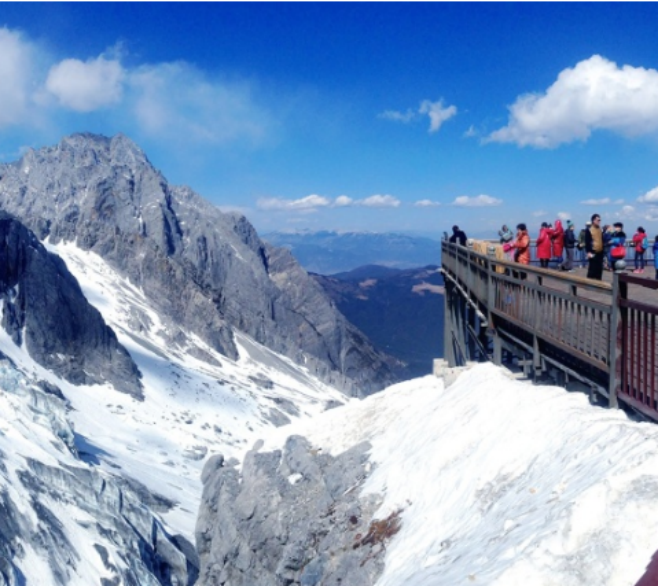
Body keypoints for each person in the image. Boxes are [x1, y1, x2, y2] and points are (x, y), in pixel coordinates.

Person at [585, 213, 604, 280]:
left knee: (599, 268)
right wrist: (588, 252)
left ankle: (598, 281)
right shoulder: (589, 230)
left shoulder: (600, 229)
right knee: (592, 267)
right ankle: (589, 281)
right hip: (593, 251)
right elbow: (587, 242)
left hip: (600, 251)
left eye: (600, 220)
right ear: (593, 220)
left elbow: (602, 239)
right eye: (598, 220)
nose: (599, 221)